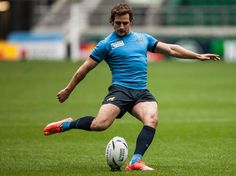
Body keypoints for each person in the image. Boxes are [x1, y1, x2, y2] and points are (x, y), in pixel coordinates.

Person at [43, 3, 220, 171]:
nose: (121, 27)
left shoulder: (143, 39)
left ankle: (136, 161)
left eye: (125, 23)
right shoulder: (106, 44)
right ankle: (67, 124)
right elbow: (84, 69)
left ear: (131, 22)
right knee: (100, 124)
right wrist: (68, 89)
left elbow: (171, 49)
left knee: (151, 119)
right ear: (112, 22)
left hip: (141, 93)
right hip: (120, 91)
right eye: (118, 23)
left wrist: (197, 56)